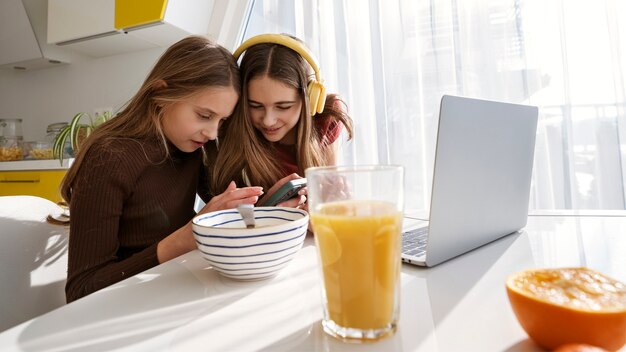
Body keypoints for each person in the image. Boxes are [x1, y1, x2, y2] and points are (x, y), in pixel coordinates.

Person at [62, 36, 263, 303]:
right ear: (160, 94)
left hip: (177, 292)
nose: (213, 132)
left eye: (222, 120)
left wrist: (276, 203)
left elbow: (227, 206)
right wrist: (179, 242)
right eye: (204, 115)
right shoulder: (109, 158)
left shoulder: (190, 147)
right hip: (125, 309)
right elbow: (81, 291)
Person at [209, 34, 353, 205]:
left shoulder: (326, 117)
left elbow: (328, 193)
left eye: (283, 107)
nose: (268, 121)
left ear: (310, 100)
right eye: (255, 105)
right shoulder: (228, 125)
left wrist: (330, 204)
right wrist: (267, 208)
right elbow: (231, 220)